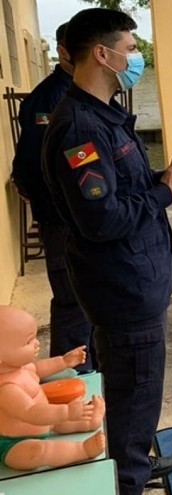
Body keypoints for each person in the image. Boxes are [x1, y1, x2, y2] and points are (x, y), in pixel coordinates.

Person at [40, 8, 172, 494]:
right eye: (131, 49)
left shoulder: (106, 117)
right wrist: (165, 193)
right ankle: (129, 478)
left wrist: (164, 179)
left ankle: (132, 461)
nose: (137, 58)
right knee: (134, 404)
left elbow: (121, 191)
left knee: (133, 401)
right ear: (103, 54)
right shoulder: (80, 129)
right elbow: (102, 219)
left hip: (138, 282)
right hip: (123, 290)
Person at [10, 23, 94, 372]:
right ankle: (70, 377)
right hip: (61, 218)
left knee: (86, 295)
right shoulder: (52, 98)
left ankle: (87, 367)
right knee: (71, 298)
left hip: (81, 217)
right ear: (63, 52)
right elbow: (33, 159)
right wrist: (42, 201)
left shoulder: (82, 93)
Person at [0, 306, 105, 471]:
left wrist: (63, 362)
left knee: (58, 422)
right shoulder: (6, 389)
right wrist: (66, 412)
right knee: (39, 452)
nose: (37, 343)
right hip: (13, 444)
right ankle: (82, 450)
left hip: (43, 424)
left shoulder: (20, 367)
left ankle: (90, 422)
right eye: (28, 342)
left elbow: (40, 368)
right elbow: (31, 412)